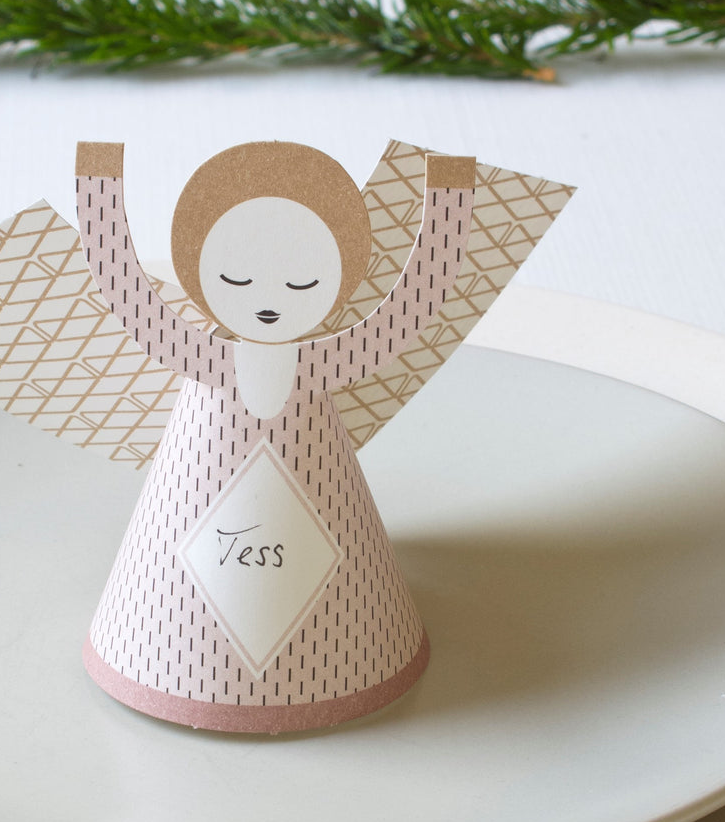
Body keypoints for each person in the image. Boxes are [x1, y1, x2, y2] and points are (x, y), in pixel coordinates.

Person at [77, 139, 475, 733]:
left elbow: (407, 310)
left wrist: (449, 200)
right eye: (236, 278)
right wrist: (98, 186)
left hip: (356, 649)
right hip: (158, 652)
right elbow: (128, 293)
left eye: (302, 285)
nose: (269, 304)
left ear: (340, 280)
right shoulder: (200, 358)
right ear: (198, 271)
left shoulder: (327, 359)